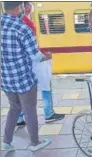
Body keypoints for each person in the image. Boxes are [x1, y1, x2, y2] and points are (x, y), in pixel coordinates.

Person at [1, 1, 51, 151]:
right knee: (29, 110)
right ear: (19, 8)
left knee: (14, 108)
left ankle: (6, 142)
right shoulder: (22, 27)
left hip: (5, 79)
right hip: (23, 79)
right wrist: (47, 56)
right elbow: (35, 56)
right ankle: (35, 143)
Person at [16, 2, 65, 127]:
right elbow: (31, 46)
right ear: (25, 6)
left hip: (22, 63)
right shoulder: (26, 22)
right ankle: (48, 113)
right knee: (45, 84)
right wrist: (43, 56)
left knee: (25, 89)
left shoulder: (14, 21)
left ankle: (20, 117)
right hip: (33, 61)